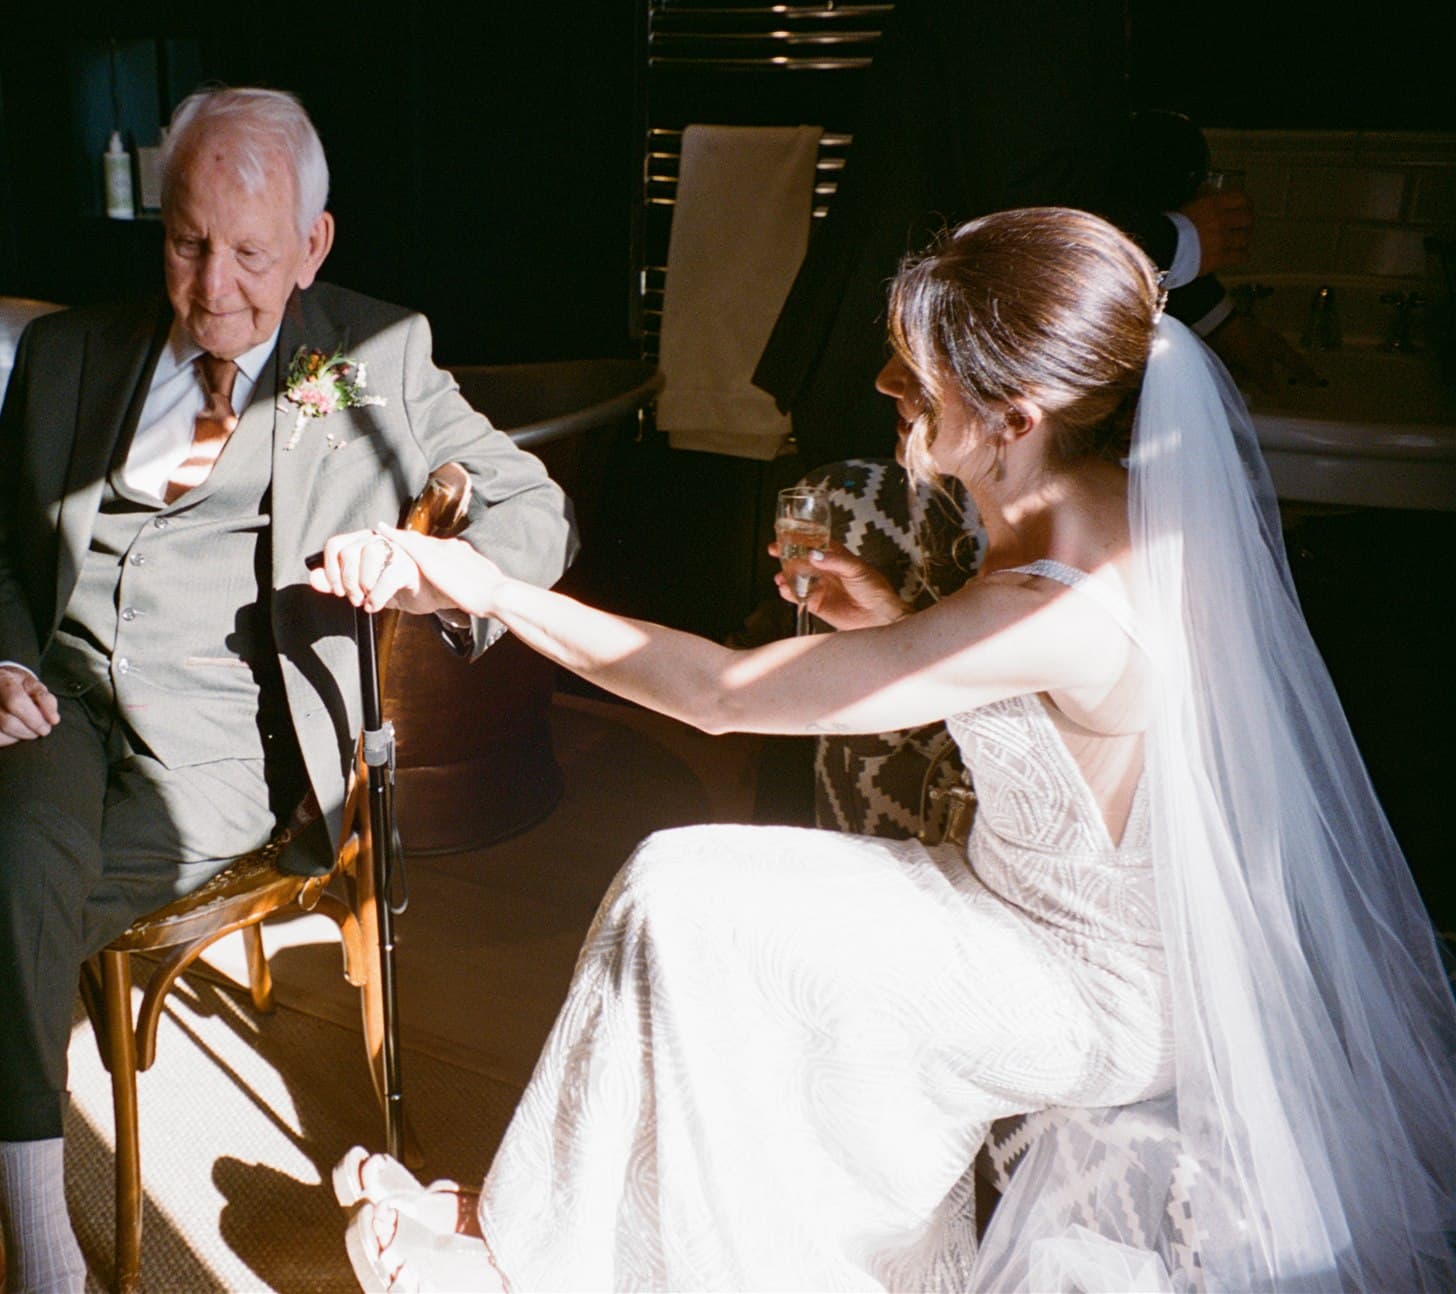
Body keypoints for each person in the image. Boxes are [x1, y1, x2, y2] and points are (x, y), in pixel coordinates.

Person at [314, 208, 1456, 1291]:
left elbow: (714, 695)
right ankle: (552, 1222)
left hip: (1082, 986)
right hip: (1006, 906)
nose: (883, 384)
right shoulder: (1095, 501)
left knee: (679, 896)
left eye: (918, 370)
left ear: (1014, 417)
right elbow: (1054, 712)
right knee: (701, 902)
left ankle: (520, 1253)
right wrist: (896, 622)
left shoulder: (1058, 602)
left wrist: (486, 587)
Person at [0, 86, 574, 1294]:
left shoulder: (372, 354)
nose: (211, 289)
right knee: (5, 870)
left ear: (312, 244)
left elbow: (534, 511)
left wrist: (424, 573)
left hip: (229, 741)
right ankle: (45, 1258)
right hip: (58, 697)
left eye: (250, 254)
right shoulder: (66, 352)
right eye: (186, 243)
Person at [752, 0, 1308, 468]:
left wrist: (1216, 317)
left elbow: (1065, 170)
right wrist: (1181, 244)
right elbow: (1024, 204)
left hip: (920, 359)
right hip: (908, 366)